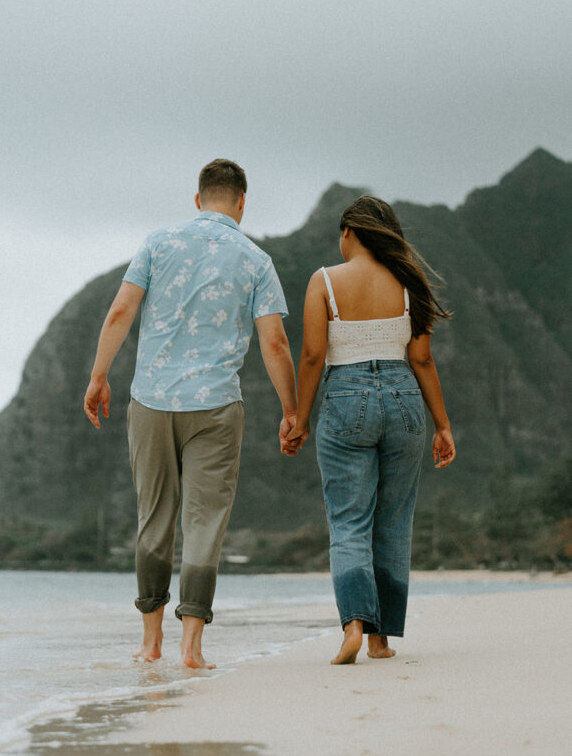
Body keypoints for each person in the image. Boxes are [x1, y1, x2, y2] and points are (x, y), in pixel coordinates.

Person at [84, 159, 297, 669]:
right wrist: (293, 410)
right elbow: (275, 341)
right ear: (242, 203)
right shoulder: (256, 259)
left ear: (198, 198)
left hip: (151, 401)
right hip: (217, 407)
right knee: (205, 524)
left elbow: (120, 312)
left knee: (153, 518)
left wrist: (98, 377)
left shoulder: (158, 243)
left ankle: (150, 642)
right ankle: (193, 649)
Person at [284, 195, 455, 665]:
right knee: (394, 522)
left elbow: (314, 356)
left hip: (344, 398)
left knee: (349, 520)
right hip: (404, 399)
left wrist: (300, 418)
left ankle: (354, 626)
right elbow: (421, 358)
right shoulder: (408, 281)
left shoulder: (324, 282)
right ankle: (381, 640)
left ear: (349, 232)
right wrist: (442, 425)